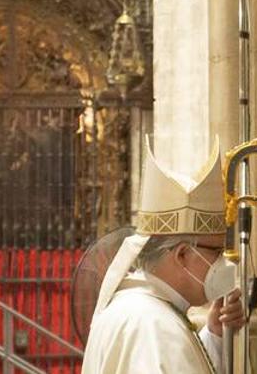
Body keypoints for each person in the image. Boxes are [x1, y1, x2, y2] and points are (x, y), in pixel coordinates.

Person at [82, 138, 245, 374]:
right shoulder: (151, 324)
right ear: (182, 255)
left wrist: (214, 335)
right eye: (216, 252)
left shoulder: (143, 312)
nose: (223, 262)